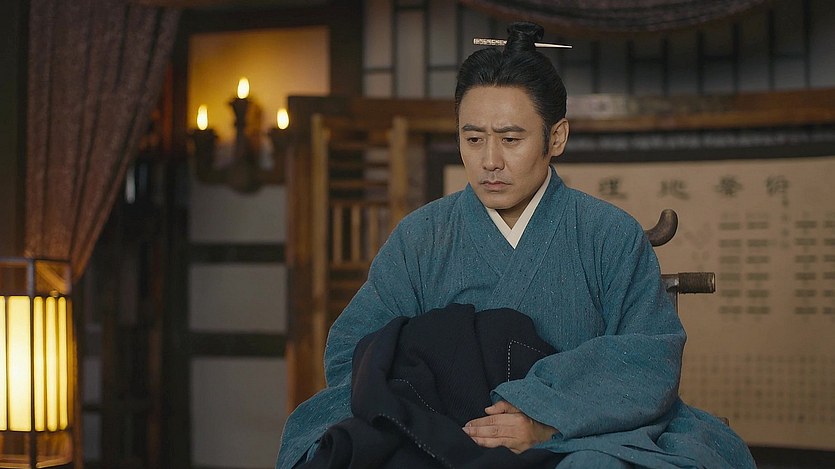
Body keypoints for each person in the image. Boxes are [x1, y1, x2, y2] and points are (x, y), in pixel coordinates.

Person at [277, 22, 755, 468]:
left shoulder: (608, 234)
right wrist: (433, 415)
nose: (490, 161)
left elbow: (648, 356)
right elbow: (354, 352)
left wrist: (544, 416)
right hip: (439, 433)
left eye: (510, 139)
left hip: (577, 434)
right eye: (473, 139)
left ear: (556, 137)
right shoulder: (421, 238)